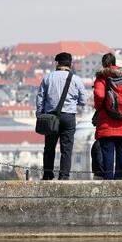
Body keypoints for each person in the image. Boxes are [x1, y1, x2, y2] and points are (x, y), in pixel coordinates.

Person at [36, 52, 87, 180]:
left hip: (51, 117)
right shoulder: (76, 79)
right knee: (66, 149)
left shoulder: (47, 78)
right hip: (69, 116)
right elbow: (84, 100)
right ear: (70, 64)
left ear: (57, 63)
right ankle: (64, 176)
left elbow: (40, 98)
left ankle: (48, 174)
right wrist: (75, 102)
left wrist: (40, 114)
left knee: (49, 148)